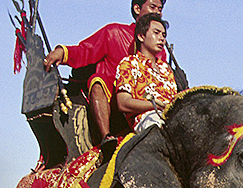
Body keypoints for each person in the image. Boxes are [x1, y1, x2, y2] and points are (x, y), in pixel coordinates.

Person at [42, 0, 165, 142]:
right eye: (153, 7)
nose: (157, 12)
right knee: (98, 81)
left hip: (144, 103)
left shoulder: (160, 51)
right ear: (137, 9)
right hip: (113, 97)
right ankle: (106, 137)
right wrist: (63, 52)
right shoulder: (114, 32)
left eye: (160, 9)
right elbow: (85, 51)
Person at [113, 13, 177, 131]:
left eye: (164, 35)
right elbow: (123, 103)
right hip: (148, 118)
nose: (162, 38)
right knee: (158, 126)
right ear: (141, 36)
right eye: (156, 33)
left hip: (173, 118)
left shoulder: (166, 69)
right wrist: (155, 105)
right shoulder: (130, 63)